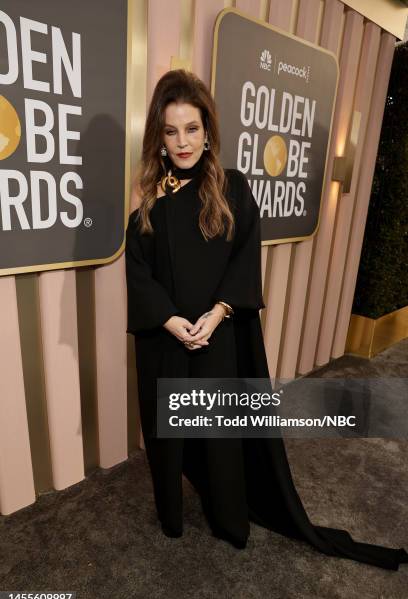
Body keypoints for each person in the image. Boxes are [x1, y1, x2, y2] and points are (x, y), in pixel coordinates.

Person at [125, 69, 408, 571]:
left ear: (208, 131)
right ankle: (172, 515)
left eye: (192, 129)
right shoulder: (149, 204)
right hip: (166, 339)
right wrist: (170, 321)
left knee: (218, 429)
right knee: (169, 431)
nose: (183, 141)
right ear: (159, 138)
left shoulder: (232, 188)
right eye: (171, 131)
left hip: (219, 333)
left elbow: (243, 258)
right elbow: (140, 273)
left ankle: (229, 517)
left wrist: (214, 316)